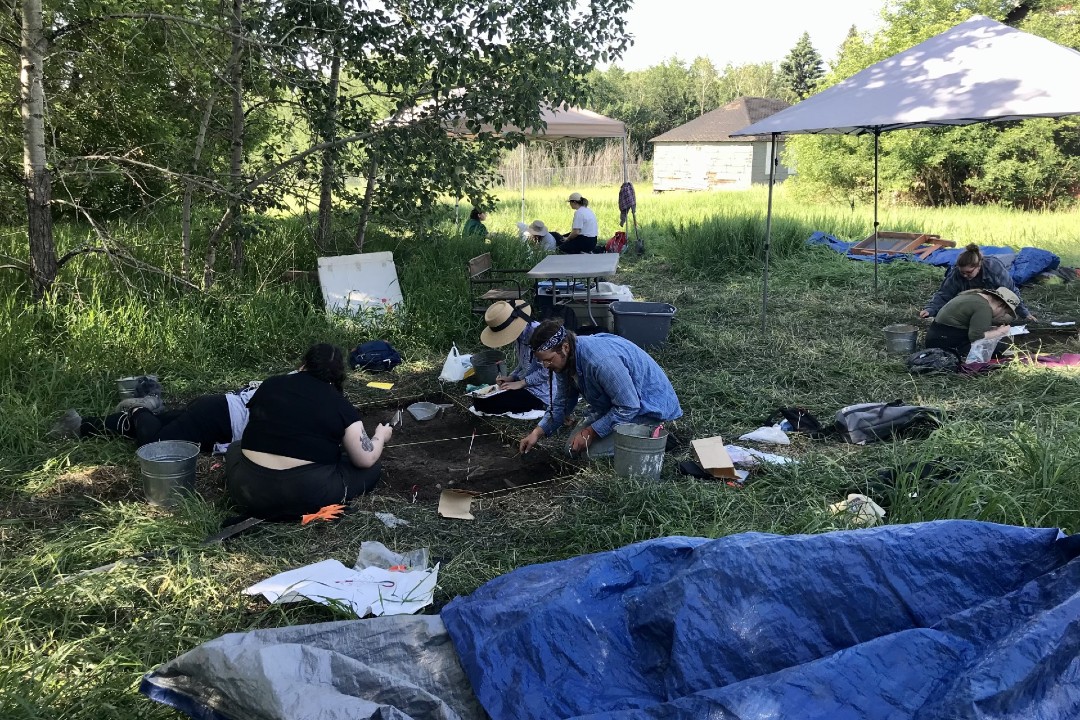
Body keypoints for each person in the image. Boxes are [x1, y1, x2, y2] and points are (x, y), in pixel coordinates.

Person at [225, 343, 392, 520]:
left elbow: (257, 426)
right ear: (338, 375)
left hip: (247, 489)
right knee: (372, 467)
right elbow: (365, 459)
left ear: (304, 363)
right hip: (305, 493)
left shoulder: (270, 384)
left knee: (236, 447)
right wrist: (380, 436)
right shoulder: (338, 403)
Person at [518, 320, 682, 459]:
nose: (546, 366)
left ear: (565, 347)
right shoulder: (563, 360)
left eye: (548, 360)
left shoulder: (601, 362)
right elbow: (562, 402)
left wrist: (591, 432)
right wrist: (537, 433)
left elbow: (629, 406)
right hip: (614, 405)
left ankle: (654, 436)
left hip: (646, 407)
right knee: (571, 449)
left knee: (588, 453)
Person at [49, 382, 259, 453]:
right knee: (154, 444)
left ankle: (81, 425)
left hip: (221, 411)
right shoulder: (291, 391)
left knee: (158, 425)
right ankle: (140, 408)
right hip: (223, 419)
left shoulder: (289, 384)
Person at [473, 300, 561, 415]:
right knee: (479, 400)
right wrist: (511, 377)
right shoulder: (520, 335)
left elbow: (548, 371)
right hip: (525, 384)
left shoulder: (540, 334)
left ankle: (541, 405)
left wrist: (522, 383)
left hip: (541, 391)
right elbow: (523, 364)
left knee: (487, 404)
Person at [920, 244, 1035, 321]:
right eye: (962, 272)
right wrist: (930, 309)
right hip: (970, 303)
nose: (965, 276)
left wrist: (1025, 313)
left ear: (978, 266)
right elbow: (944, 293)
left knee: (1004, 319)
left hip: (993, 303)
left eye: (969, 272)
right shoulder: (956, 273)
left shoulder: (993, 268)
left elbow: (1011, 291)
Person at [925, 287, 1020, 360]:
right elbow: (977, 337)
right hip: (945, 344)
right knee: (999, 348)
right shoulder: (984, 307)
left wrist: (993, 330)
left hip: (938, 337)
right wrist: (1001, 332)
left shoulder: (976, 297)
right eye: (1005, 312)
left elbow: (973, 326)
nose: (1003, 316)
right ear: (1001, 306)